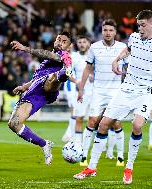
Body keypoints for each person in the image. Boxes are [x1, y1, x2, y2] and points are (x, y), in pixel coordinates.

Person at [73, 10, 152, 184]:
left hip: (145, 92)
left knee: (137, 124)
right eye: (138, 25)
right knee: (103, 124)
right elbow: (128, 49)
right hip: (125, 89)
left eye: (142, 25)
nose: (139, 28)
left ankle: (129, 167)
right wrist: (116, 60)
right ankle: (92, 167)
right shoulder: (133, 37)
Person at [8, 31, 73, 165]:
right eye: (59, 39)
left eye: (64, 41)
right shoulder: (45, 62)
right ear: (55, 41)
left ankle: (63, 74)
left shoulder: (63, 55)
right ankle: (44, 144)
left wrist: (25, 48)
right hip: (34, 91)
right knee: (14, 124)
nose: (60, 42)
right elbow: (37, 78)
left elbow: (48, 54)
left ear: (69, 47)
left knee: (51, 79)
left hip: (49, 88)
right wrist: (24, 87)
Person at [77, 19, 127, 167]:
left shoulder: (122, 47)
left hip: (116, 92)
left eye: (111, 30)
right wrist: (81, 88)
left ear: (115, 32)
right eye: (105, 30)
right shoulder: (94, 47)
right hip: (98, 91)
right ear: (102, 31)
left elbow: (129, 68)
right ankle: (83, 155)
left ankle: (120, 157)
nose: (108, 33)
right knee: (92, 121)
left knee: (116, 123)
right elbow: (88, 69)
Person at [68, 36, 93, 166]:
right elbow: (68, 73)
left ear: (89, 43)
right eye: (80, 42)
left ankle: (96, 149)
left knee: (94, 122)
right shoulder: (74, 57)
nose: (82, 44)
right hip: (81, 93)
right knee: (79, 119)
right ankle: (79, 151)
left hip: (96, 93)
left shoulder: (94, 54)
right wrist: (77, 81)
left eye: (84, 42)